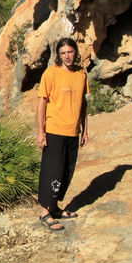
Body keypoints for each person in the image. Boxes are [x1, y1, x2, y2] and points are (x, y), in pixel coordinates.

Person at [36, 37, 89, 232]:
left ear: (75, 52)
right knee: (52, 171)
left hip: (73, 131)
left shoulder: (81, 73)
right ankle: (44, 212)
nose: (67, 56)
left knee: (66, 171)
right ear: (58, 55)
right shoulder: (51, 73)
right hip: (55, 130)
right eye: (63, 53)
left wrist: (85, 129)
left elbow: (83, 103)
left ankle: (55, 208)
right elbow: (42, 102)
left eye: (70, 52)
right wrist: (41, 131)